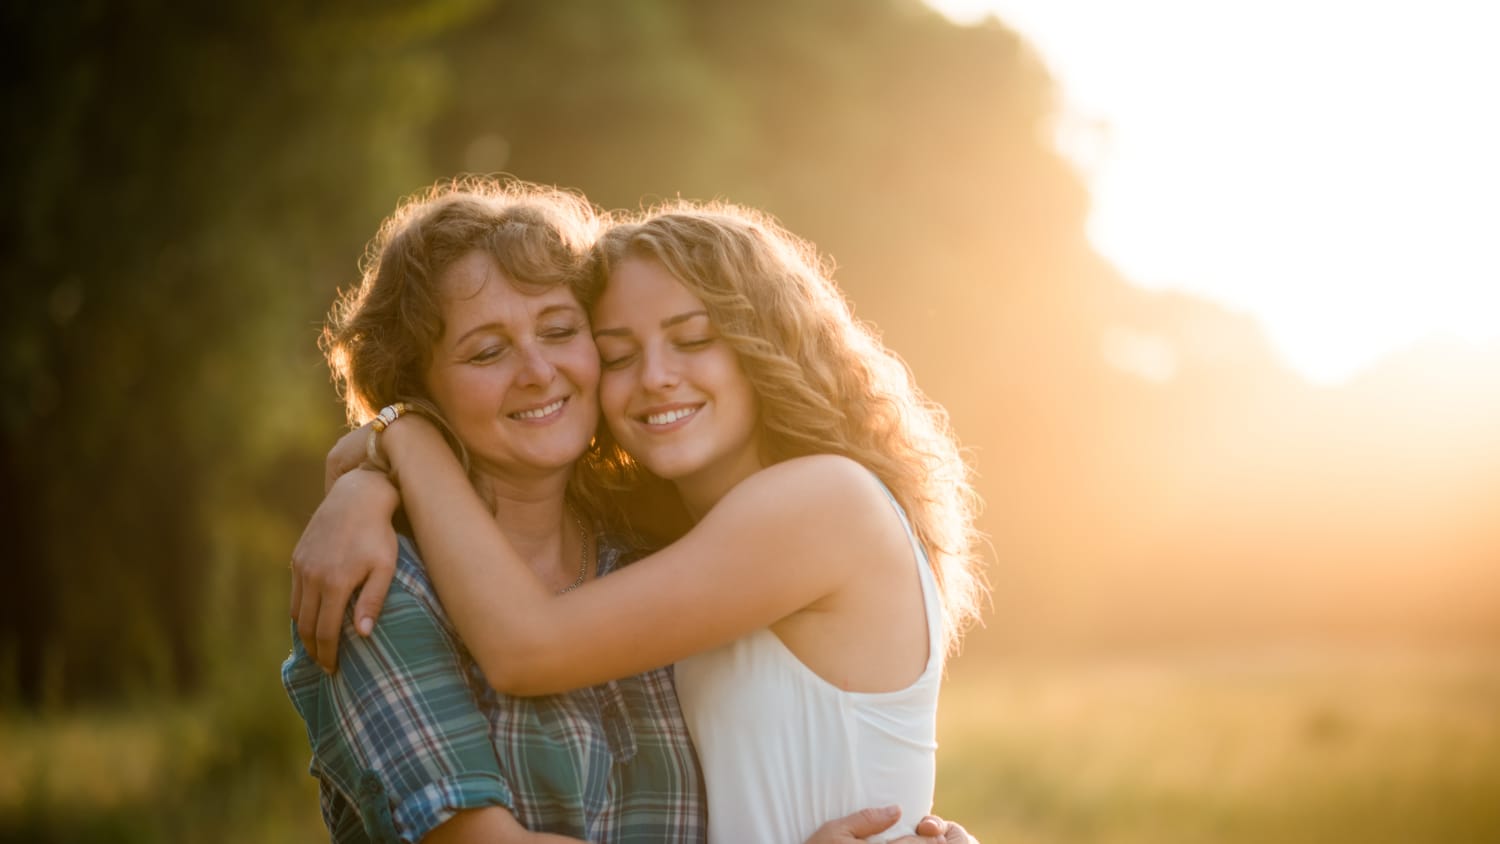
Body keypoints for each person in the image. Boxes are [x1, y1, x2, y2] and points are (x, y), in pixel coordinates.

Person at [285, 179, 973, 843]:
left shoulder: (814, 506)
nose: (654, 377)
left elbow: (531, 647)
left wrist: (401, 437)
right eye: (619, 354)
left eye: (694, 338)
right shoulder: (394, 582)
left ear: (766, 348)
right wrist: (371, 475)